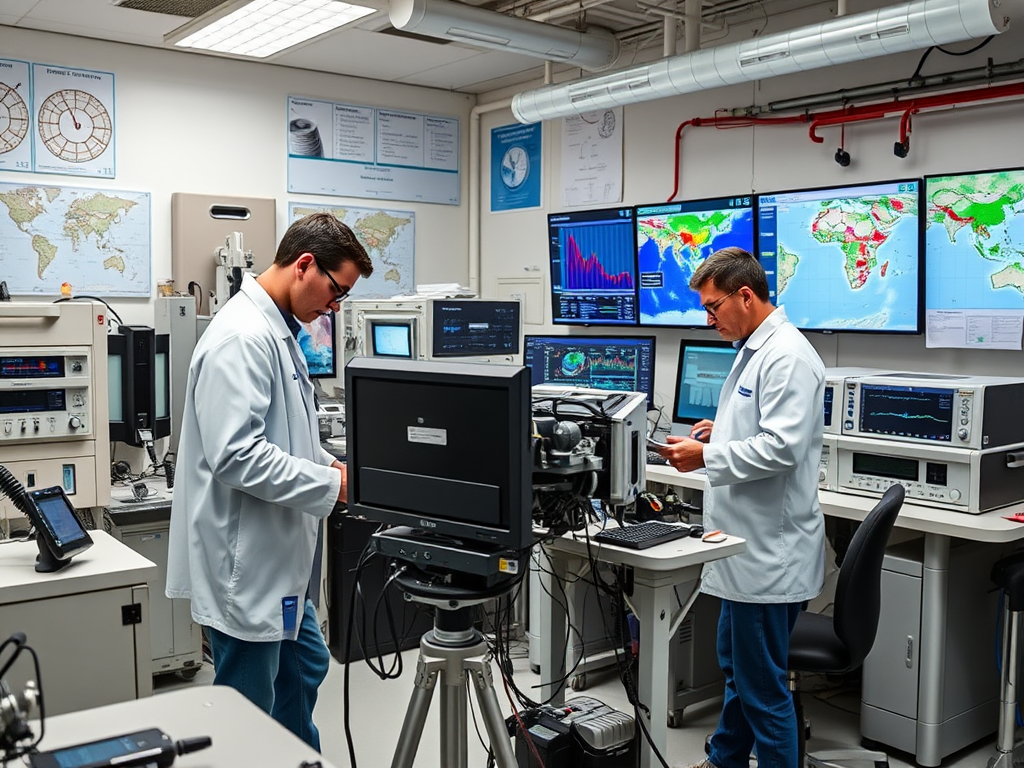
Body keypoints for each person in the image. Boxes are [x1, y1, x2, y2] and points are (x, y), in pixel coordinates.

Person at [166, 212, 373, 751]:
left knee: (306, 665)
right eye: (337, 292)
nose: (335, 308)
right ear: (305, 265)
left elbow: (287, 436)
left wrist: (330, 467)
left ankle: (295, 757)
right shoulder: (242, 338)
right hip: (247, 567)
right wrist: (335, 489)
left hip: (277, 564)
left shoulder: (277, 333)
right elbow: (238, 456)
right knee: (244, 711)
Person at [659, 247, 825, 768]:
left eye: (712, 308)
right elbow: (762, 429)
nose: (708, 319)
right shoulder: (755, 347)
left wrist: (707, 453)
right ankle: (723, 760)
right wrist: (722, 432)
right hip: (742, 552)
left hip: (766, 558)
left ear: (745, 296)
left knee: (762, 692)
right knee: (738, 669)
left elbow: (782, 448)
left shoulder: (787, 356)